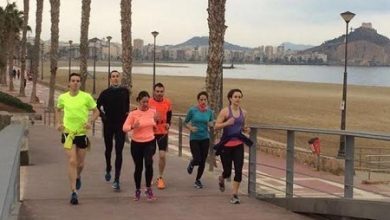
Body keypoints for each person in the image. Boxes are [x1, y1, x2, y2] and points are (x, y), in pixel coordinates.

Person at [55, 73, 99, 205]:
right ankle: (73, 192)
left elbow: (96, 111)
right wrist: (58, 123)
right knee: (72, 161)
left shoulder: (86, 97)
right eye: (73, 81)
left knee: (80, 164)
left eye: (77, 81)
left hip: (81, 134)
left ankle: (78, 176)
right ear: (69, 83)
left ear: (80, 83)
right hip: (68, 134)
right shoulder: (63, 97)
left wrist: (90, 121)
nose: (75, 83)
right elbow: (57, 110)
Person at [214, 88, 251, 204]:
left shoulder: (244, 112)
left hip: (238, 144)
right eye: (235, 97)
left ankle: (234, 194)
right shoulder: (225, 111)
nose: (238, 99)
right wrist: (226, 123)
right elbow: (216, 126)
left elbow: (244, 127)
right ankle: (222, 177)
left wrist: (246, 129)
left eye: (240, 97)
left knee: (239, 170)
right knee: (228, 172)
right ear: (230, 98)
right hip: (226, 145)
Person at [97, 70, 129, 190]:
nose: (115, 78)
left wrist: (127, 120)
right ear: (110, 79)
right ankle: (108, 166)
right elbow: (97, 106)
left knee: (119, 151)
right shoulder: (105, 93)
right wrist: (103, 117)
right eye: (113, 77)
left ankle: (117, 179)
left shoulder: (125, 92)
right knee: (109, 149)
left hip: (120, 126)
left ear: (119, 78)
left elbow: (126, 107)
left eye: (117, 76)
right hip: (108, 125)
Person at [123, 91, 157, 201]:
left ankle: (148, 188)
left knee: (149, 163)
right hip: (136, 143)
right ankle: (137, 189)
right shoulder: (133, 114)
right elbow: (125, 128)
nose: (145, 104)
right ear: (139, 101)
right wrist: (133, 126)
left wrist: (159, 122)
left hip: (150, 142)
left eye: (147, 102)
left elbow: (157, 124)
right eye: (143, 102)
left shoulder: (153, 112)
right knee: (138, 167)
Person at [184, 91, 214, 189]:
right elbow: (185, 122)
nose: (203, 101)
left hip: (205, 138)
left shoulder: (210, 112)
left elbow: (211, 123)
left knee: (203, 161)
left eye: (205, 100)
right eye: (201, 99)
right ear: (198, 100)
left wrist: (211, 124)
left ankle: (198, 180)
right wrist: (190, 128)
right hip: (194, 138)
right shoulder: (192, 110)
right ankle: (192, 163)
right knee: (197, 159)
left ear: (207, 101)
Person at [148, 83, 172, 189]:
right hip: (151, 132)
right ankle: (149, 175)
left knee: (162, 155)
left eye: (161, 91)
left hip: (162, 132)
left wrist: (168, 124)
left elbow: (169, 115)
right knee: (149, 156)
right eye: (157, 91)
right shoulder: (148, 102)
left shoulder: (167, 102)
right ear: (153, 91)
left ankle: (160, 177)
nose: (159, 93)